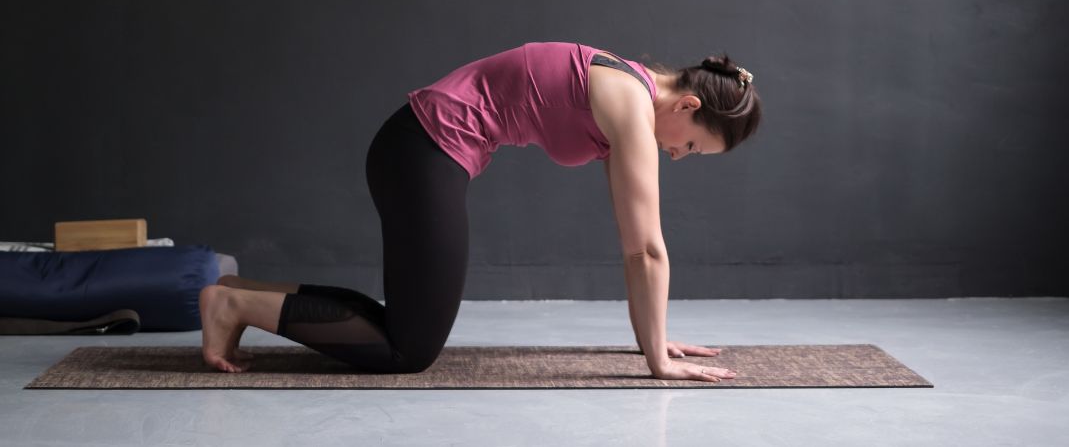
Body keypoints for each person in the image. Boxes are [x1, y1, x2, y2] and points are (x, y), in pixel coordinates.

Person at [199, 41, 761, 381]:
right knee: (408, 350)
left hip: (419, 148)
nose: (677, 154)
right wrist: (658, 364)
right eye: (690, 145)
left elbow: (633, 238)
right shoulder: (630, 103)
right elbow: (646, 248)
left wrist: (652, 338)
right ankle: (234, 305)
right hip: (422, 149)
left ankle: (240, 295)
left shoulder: (628, 88)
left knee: (403, 326)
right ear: (688, 105)